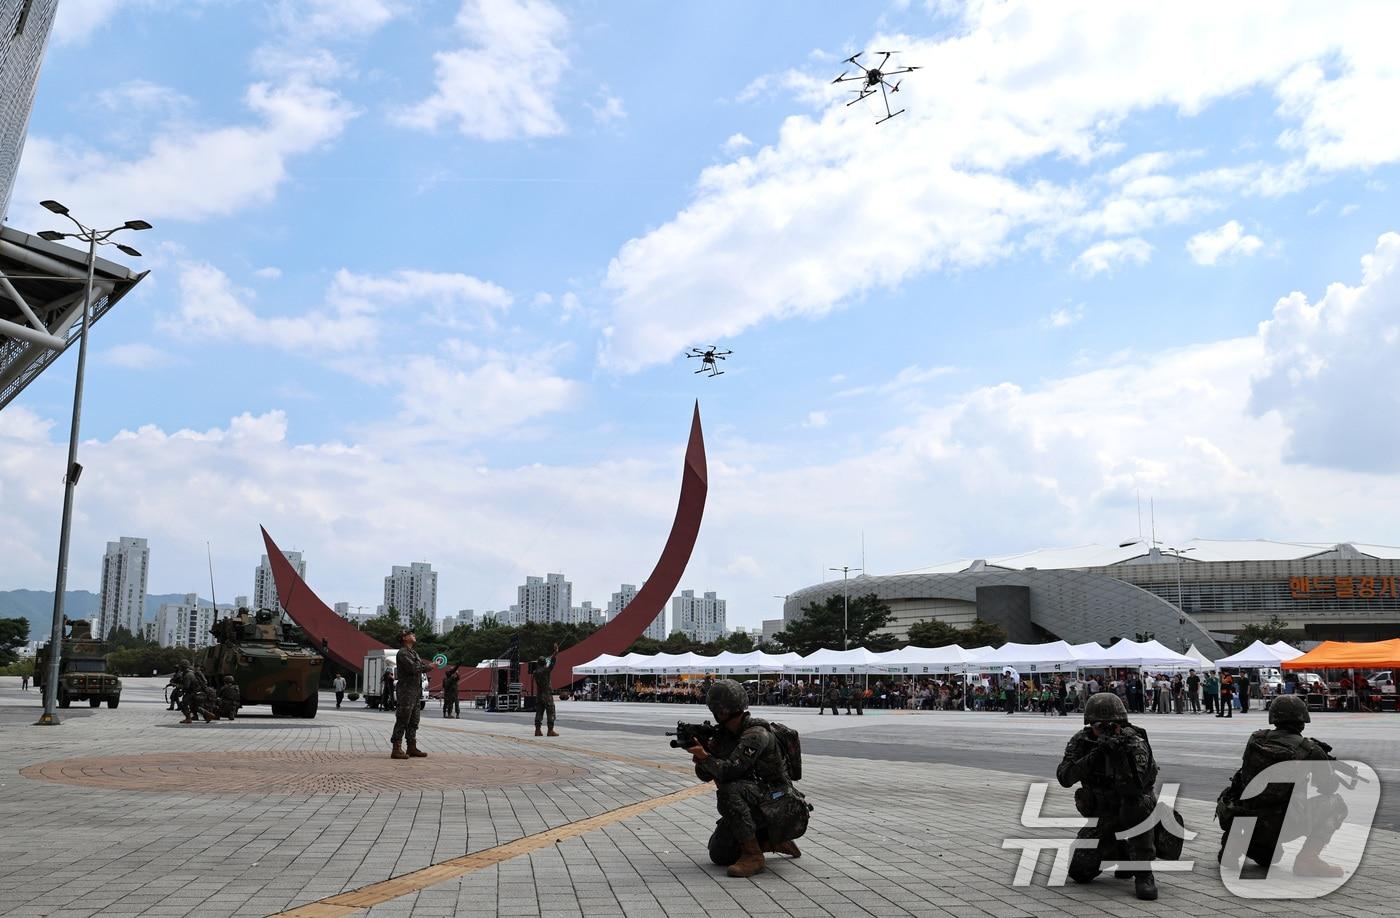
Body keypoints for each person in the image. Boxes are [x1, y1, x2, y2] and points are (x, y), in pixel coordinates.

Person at [1216, 695, 1347, 877]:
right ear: (1302, 720)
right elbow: (1328, 789)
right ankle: (1307, 859)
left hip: (1245, 816)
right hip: (1283, 823)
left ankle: (1236, 842)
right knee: (1337, 803)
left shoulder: (1256, 739)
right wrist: (1323, 765)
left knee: (1271, 858)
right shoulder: (1310, 750)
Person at [688, 679, 808, 878]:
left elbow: (729, 772)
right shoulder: (726, 735)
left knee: (729, 791)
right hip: (758, 796)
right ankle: (770, 840)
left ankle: (753, 855)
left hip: (778, 798)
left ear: (722, 711)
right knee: (719, 854)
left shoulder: (756, 734)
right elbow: (706, 775)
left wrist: (706, 757)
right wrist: (705, 755)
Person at [1056, 692, 1161, 901]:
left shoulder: (1134, 741)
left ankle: (1144, 873)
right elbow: (1064, 777)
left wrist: (1120, 756)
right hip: (1104, 813)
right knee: (1080, 871)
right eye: (1098, 726)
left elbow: (1135, 788)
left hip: (1134, 808)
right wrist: (1095, 756)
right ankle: (1122, 852)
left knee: (1135, 805)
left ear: (1121, 723)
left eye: (1110, 725)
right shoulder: (1082, 741)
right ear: (1089, 725)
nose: (1104, 730)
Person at [390, 630, 428, 760]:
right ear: (404, 638)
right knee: (403, 719)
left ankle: (411, 747)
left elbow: (420, 665)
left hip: (415, 691)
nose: (414, 636)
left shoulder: (413, 653)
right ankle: (396, 748)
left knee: (414, 720)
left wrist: (428, 666)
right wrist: (429, 667)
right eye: (411, 634)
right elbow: (413, 668)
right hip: (406, 691)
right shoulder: (403, 653)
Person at [531, 642, 560, 737]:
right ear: (544, 663)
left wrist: (553, 654)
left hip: (539, 694)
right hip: (547, 694)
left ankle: (537, 730)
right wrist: (555, 653)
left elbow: (547, 663)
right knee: (550, 711)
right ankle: (550, 730)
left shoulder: (535, 672)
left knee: (539, 712)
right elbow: (552, 663)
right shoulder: (546, 671)